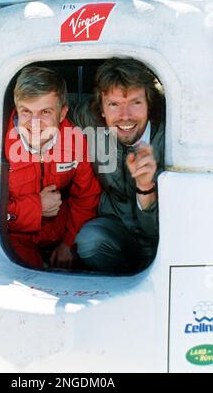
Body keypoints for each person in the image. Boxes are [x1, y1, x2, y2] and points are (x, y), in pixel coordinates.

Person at [73, 58, 165, 274]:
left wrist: (146, 188)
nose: (125, 116)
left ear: (149, 104)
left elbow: (160, 230)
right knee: (89, 241)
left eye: (135, 102)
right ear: (102, 109)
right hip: (115, 231)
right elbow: (45, 106)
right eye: (114, 104)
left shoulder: (171, 137)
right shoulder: (90, 119)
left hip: (163, 238)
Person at [5, 66, 101, 270]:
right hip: (13, 238)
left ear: (62, 113)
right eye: (26, 112)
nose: (35, 123)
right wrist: (36, 208)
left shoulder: (74, 141)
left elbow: (86, 196)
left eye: (45, 112)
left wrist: (69, 243)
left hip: (59, 234)